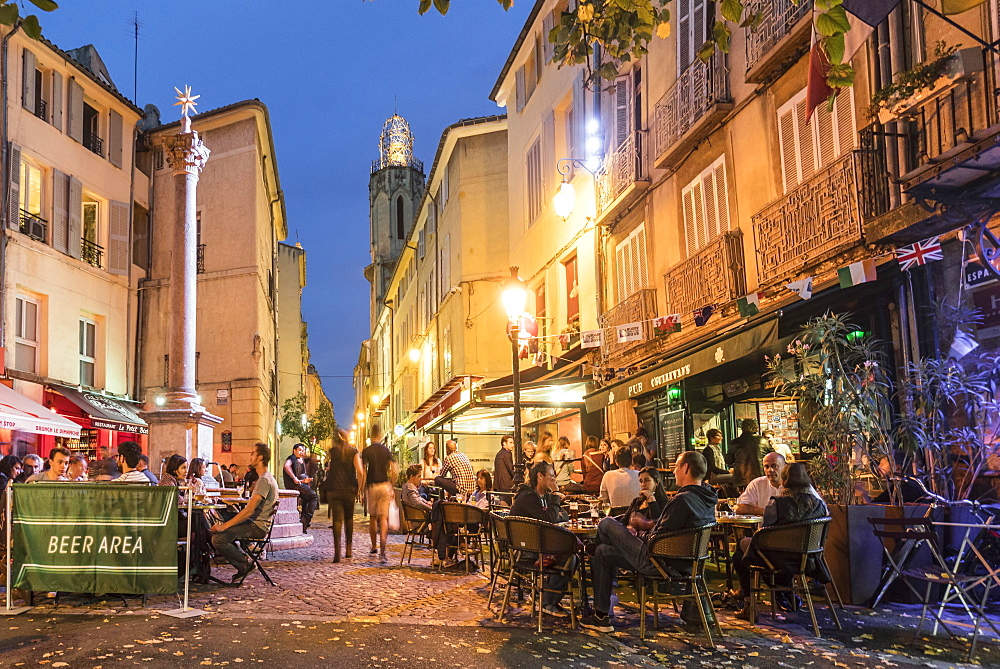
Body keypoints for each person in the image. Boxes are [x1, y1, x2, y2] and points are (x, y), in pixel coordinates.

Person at [582, 452, 717, 632]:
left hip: (659, 561)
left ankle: (589, 549)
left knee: (606, 523)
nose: (674, 472)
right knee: (603, 552)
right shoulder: (706, 498)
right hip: (687, 563)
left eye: (676, 467)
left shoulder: (682, 500)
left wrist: (636, 536)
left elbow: (658, 537)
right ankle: (601, 617)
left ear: (686, 468)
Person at [735, 463, 829, 621]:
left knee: (743, 551)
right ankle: (782, 591)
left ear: (784, 481)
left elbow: (766, 533)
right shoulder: (819, 504)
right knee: (753, 550)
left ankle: (749, 603)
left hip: (777, 558)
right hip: (808, 558)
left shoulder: (777, 504)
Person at [510, 461, 573, 617]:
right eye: (551, 476)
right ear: (539, 476)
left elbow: (562, 515)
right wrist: (556, 496)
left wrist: (554, 509)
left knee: (571, 553)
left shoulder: (542, 496)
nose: (554, 480)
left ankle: (544, 597)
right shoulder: (527, 496)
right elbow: (550, 518)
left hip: (537, 545)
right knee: (569, 556)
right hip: (525, 550)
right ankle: (546, 601)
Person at [210, 442, 280, 583]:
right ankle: (242, 558)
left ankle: (245, 565)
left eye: (253, 453)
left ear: (260, 457)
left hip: (257, 526)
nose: (250, 456)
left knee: (218, 539)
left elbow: (249, 511)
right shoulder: (266, 478)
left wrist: (224, 527)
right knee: (222, 516)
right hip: (256, 523)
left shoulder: (264, 480)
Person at [323, 429, 364, 563]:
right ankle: (348, 549)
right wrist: (360, 489)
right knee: (349, 519)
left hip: (334, 489)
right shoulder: (353, 452)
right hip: (349, 489)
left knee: (336, 520)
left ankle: (337, 552)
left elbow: (329, 467)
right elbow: (360, 472)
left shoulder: (333, 452)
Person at [361, 424, 396, 563]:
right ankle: (383, 551)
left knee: (373, 517)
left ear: (370, 435)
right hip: (384, 485)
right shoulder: (386, 450)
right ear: (380, 435)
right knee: (384, 518)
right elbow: (394, 469)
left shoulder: (366, 451)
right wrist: (391, 485)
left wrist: (362, 489)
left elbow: (363, 472)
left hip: (372, 486)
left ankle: (374, 546)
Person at [619, 467, 670, 538]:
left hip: (646, 541)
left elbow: (657, 524)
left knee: (605, 522)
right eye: (641, 481)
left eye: (647, 480)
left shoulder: (663, 502)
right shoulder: (637, 501)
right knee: (603, 548)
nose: (643, 484)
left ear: (656, 482)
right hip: (629, 537)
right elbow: (623, 522)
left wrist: (651, 500)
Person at [855, 455, 927, 504]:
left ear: (897, 468)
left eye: (882, 464)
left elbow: (874, 509)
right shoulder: (913, 482)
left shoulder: (904, 487)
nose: (878, 467)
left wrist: (863, 495)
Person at [726, 419, 773, 490]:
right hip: (761, 477)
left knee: (744, 499)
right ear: (755, 427)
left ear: (742, 428)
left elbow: (729, 460)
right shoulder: (763, 441)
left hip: (741, 479)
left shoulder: (735, 442)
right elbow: (773, 457)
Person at [283, 443, 318, 532]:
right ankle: (306, 519)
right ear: (294, 450)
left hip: (299, 485)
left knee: (307, 499)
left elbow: (299, 477)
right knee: (314, 496)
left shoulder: (299, 460)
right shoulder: (292, 458)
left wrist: (305, 480)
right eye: (300, 450)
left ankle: (303, 522)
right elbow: (286, 466)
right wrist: (294, 478)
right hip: (295, 486)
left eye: (303, 450)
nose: (301, 452)